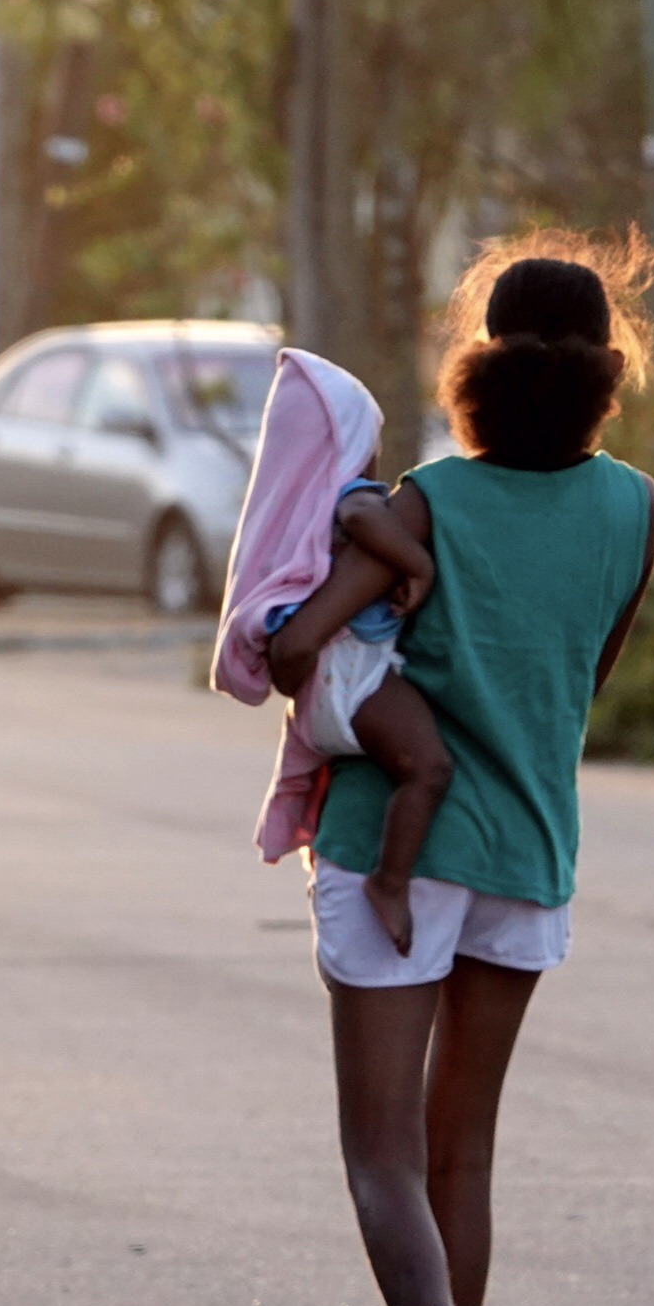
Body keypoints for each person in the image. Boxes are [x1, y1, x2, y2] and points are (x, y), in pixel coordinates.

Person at [267, 233, 654, 1306]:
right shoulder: (634, 511)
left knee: (380, 1159)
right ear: (612, 372)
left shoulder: (426, 501)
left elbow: (293, 652)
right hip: (528, 855)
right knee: (461, 1158)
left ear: (474, 364)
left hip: (395, 844)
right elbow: (579, 682)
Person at [211, 354, 454, 954]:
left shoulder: (290, 517)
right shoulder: (354, 498)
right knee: (429, 769)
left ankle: (335, 860)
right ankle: (390, 882)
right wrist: (418, 563)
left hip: (323, 691)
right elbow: (365, 517)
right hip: (355, 674)